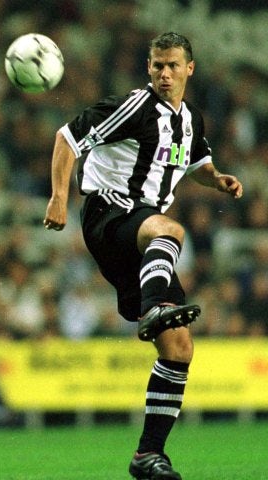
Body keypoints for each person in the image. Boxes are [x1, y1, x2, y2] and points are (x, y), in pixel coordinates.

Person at [43, 32, 243, 480]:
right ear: (148, 68)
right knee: (170, 230)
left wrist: (218, 179)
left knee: (178, 347)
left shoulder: (190, 119)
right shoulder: (134, 106)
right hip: (108, 213)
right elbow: (66, 137)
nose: (164, 74)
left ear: (190, 68)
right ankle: (156, 306)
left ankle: (148, 455)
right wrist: (58, 197)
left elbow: (196, 165)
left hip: (142, 234)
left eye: (172, 65)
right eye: (157, 66)